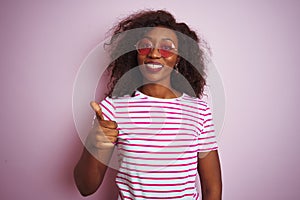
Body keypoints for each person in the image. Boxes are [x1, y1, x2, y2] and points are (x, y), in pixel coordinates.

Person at [74, 9, 222, 200]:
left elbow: (212, 189)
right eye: (145, 46)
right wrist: (94, 142)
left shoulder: (199, 111)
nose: (153, 54)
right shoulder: (112, 110)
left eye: (167, 48)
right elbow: (85, 187)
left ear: (179, 58)